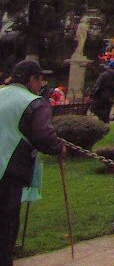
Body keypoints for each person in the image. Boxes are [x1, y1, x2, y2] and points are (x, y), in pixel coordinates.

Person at [0, 59, 65, 266]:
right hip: (8, 173)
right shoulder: (34, 102)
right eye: (40, 80)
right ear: (31, 79)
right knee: (5, 230)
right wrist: (58, 147)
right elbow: (43, 136)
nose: (41, 85)